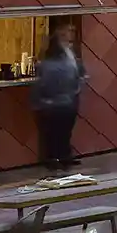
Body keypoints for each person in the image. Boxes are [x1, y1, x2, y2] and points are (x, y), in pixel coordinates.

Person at [32, 25, 84, 170]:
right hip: (62, 101)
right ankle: (57, 157)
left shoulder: (57, 58)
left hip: (61, 101)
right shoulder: (58, 59)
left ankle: (60, 157)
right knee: (57, 131)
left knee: (61, 131)